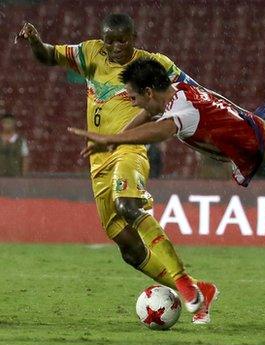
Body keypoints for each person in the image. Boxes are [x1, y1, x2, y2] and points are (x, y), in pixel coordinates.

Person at [16, 14, 218, 324]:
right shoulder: (90, 52)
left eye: (122, 40)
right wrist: (35, 41)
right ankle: (198, 289)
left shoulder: (153, 63)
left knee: (128, 206)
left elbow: (193, 90)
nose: (115, 46)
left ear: (134, 37)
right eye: (110, 40)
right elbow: (48, 56)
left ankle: (183, 286)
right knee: (128, 248)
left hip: (129, 149)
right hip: (98, 160)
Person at [67, 5, 265, 190]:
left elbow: (162, 129)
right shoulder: (177, 92)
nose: (133, 104)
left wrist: (112, 139)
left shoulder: (183, 110)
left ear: (149, 91)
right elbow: (152, 117)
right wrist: (120, 138)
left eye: (135, 98)